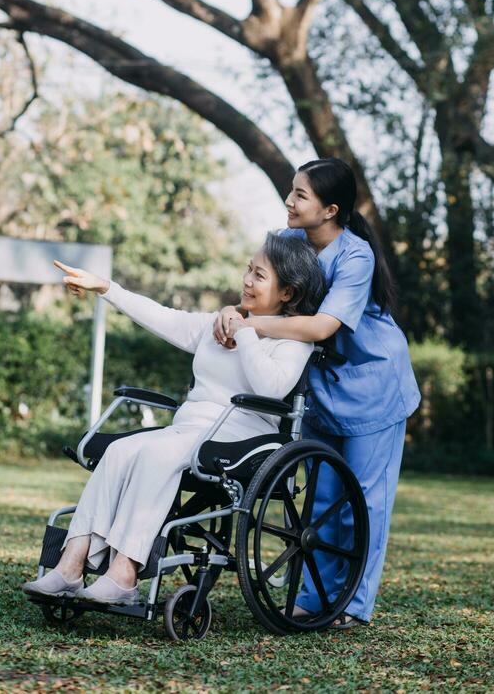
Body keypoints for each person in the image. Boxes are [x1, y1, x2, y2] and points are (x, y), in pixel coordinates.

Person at [22, 232, 325, 607]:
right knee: (119, 451)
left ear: (287, 293)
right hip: (191, 428)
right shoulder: (220, 323)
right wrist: (106, 288)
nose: (246, 280)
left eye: (259, 275)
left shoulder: (294, 341)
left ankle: (125, 574)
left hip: (243, 436)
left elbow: (271, 388)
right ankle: (69, 567)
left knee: (158, 453)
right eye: (248, 269)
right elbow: (164, 317)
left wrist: (246, 331)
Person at [213, 158, 420, 628]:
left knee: (364, 503)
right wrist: (235, 311)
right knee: (323, 499)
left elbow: (323, 326)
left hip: (375, 387)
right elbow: (260, 290)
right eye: (291, 191)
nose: (289, 201)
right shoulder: (287, 242)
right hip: (323, 390)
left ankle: (353, 605)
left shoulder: (356, 256)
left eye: (300, 195)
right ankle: (315, 597)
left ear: (330, 210)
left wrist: (251, 325)